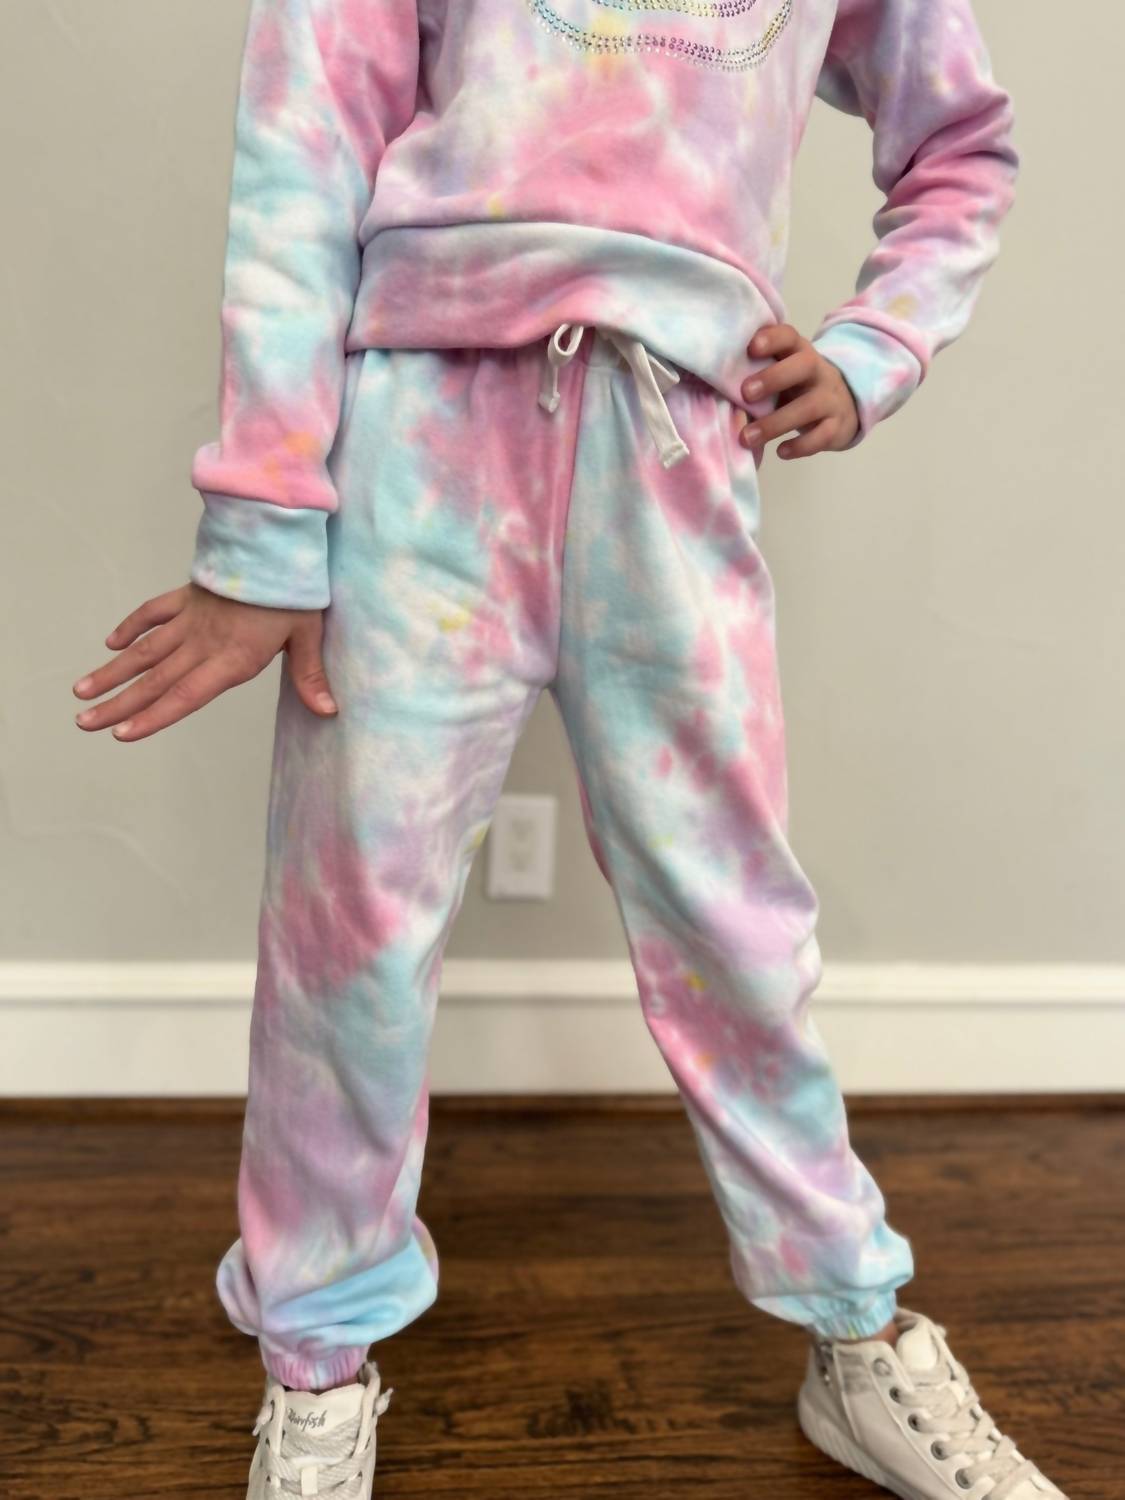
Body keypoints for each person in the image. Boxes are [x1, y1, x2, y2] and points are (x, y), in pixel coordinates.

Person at [72, 2, 1063, 1496]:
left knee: (735, 925)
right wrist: (266, 529)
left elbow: (960, 143)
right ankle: (315, 1361)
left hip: (674, 452)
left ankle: (856, 1330)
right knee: (349, 935)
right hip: (418, 446)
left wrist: (875, 349)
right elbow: (303, 142)